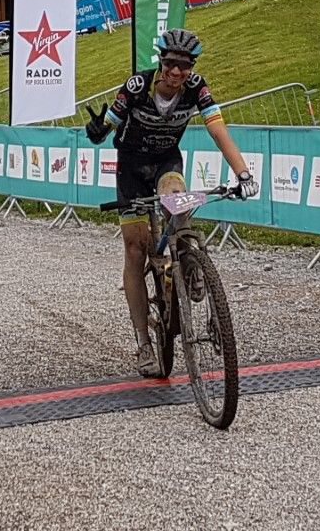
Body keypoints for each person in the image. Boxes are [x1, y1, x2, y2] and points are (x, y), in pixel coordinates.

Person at [85, 28, 258, 378]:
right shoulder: (138, 86)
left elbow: (218, 129)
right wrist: (98, 130)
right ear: (160, 62)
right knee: (135, 251)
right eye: (171, 64)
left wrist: (243, 174)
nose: (177, 72)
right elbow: (108, 125)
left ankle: (190, 260)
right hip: (132, 168)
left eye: (185, 65)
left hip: (166, 161)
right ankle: (144, 343)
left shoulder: (196, 88)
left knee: (178, 201)